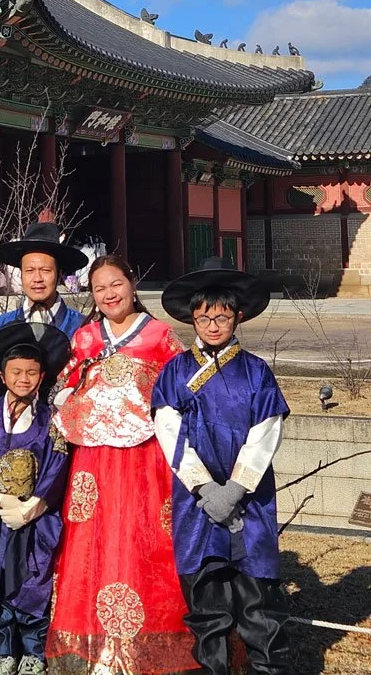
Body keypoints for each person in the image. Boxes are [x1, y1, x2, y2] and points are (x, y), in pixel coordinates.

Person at [46, 254, 198, 675]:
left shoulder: (160, 336)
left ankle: (153, 645)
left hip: (145, 458)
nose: (109, 294)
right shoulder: (85, 338)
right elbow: (68, 385)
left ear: (132, 284)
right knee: (91, 539)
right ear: (91, 296)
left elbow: (182, 392)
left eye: (116, 284)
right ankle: (92, 647)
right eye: (99, 288)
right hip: (92, 459)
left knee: (143, 537)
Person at [151, 257, 291, 675]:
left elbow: (266, 430)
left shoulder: (256, 372)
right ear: (192, 318)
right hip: (197, 503)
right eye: (204, 317)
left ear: (238, 316)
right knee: (206, 600)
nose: (213, 326)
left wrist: (235, 488)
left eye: (222, 316)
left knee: (257, 599)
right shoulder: (175, 371)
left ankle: (269, 668)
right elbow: (168, 429)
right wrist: (204, 488)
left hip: (250, 502)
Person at [0, 321, 71, 675]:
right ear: (2, 376)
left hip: (36, 519)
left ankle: (33, 650)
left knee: (35, 579)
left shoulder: (52, 422)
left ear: (42, 376)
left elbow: (58, 464)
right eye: (16, 372)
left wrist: (35, 504)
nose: (24, 379)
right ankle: (0, 651)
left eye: (31, 372)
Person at [0, 222, 87, 421]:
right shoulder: (1, 324)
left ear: (58, 275)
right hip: (9, 426)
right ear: (21, 275)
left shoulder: (82, 327)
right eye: (29, 271)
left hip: (67, 425)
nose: (37, 278)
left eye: (45, 271)